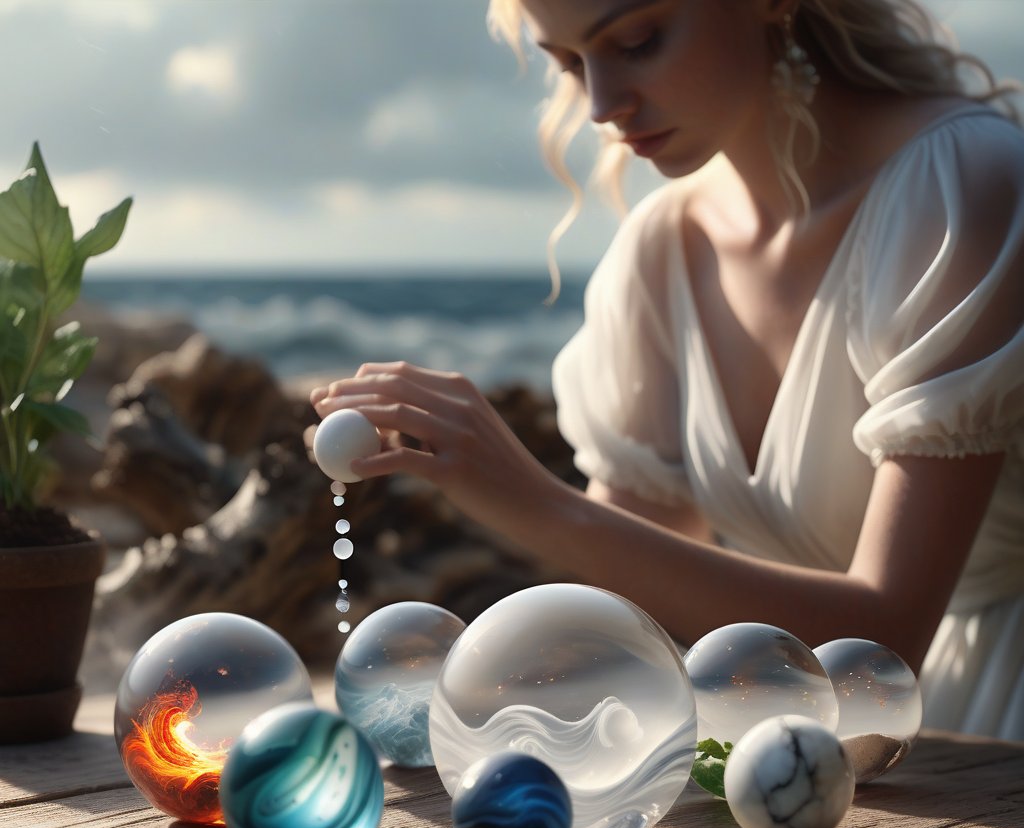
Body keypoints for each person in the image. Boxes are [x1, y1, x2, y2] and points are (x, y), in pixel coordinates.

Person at [310, 0, 1024, 741]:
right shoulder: (664, 251)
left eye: (637, 40)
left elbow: (885, 646)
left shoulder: (959, 186)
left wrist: (530, 498)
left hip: (997, 742)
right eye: (570, 64)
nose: (600, 105)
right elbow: (631, 610)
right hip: (809, 754)